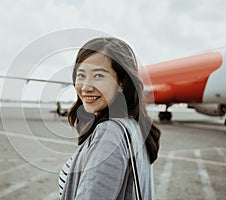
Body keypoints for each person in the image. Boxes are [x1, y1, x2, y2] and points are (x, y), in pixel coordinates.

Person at [58, 37, 161, 199]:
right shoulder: (133, 125)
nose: (86, 87)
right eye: (81, 75)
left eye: (98, 75)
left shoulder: (109, 133)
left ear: (121, 83)